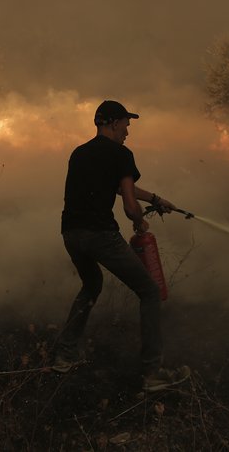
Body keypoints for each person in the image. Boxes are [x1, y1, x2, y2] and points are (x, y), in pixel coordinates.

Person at [53, 99, 190, 392]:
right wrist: (139, 222)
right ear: (113, 122)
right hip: (101, 236)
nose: (128, 130)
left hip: (71, 234)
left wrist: (155, 199)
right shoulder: (121, 154)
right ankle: (153, 373)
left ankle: (64, 356)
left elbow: (117, 186)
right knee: (150, 292)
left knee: (91, 285)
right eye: (126, 123)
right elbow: (128, 205)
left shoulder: (79, 153)